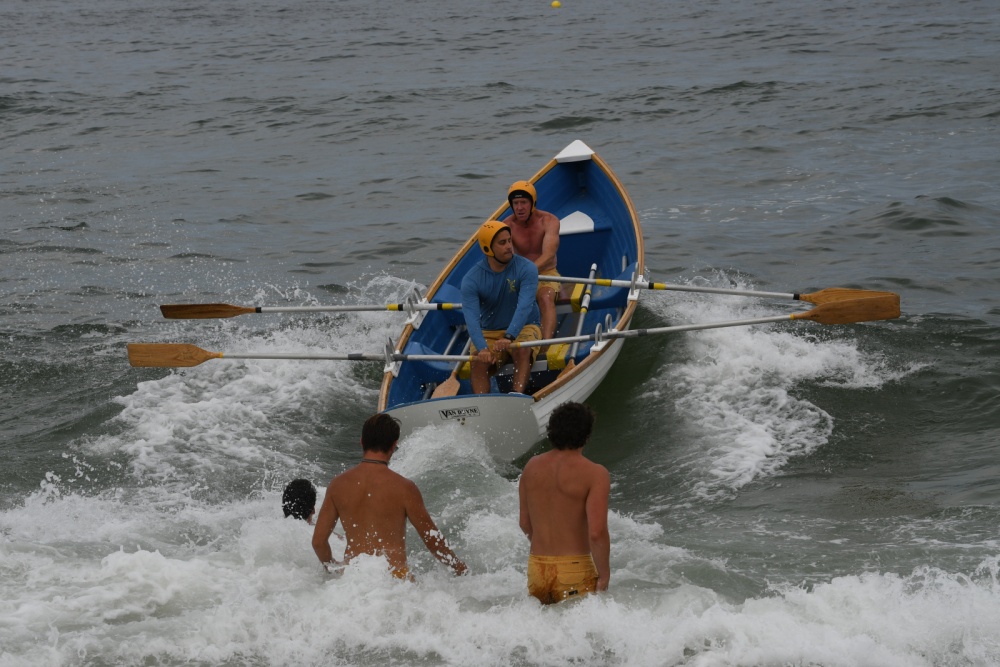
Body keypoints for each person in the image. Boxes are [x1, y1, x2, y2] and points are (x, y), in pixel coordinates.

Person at [311, 413, 468, 579]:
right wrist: (460, 569)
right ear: (394, 445)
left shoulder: (337, 485)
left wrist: (334, 569)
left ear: (362, 442)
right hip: (392, 581)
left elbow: (318, 542)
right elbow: (432, 540)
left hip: (353, 579)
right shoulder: (405, 488)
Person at [518, 402, 610, 604]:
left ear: (552, 431)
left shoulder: (531, 467)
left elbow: (524, 523)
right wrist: (604, 575)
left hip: (537, 568)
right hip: (574, 569)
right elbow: (596, 532)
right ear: (586, 435)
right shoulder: (595, 474)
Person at [461, 220, 543, 394]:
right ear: (487, 248)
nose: (509, 247)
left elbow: (525, 306)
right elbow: (472, 319)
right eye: (502, 243)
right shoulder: (471, 279)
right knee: (478, 362)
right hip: (489, 331)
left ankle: (517, 396)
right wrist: (482, 348)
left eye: (509, 241)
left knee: (521, 350)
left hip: (526, 326)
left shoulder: (527, 268)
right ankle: (482, 404)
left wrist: (509, 336)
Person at [502, 181, 562, 347]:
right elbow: (504, 257)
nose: (519, 208)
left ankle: (545, 344)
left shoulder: (549, 221)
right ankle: (506, 341)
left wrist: (526, 272)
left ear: (533, 203)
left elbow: (548, 255)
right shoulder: (506, 226)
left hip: (546, 273)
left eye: (524, 202)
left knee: (545, 297)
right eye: (515, 203)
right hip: (520, 276)